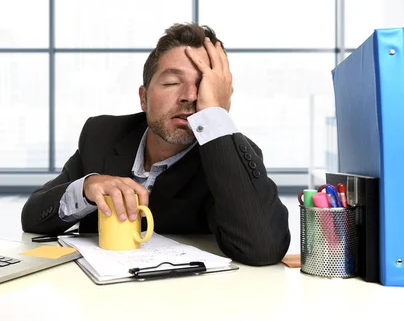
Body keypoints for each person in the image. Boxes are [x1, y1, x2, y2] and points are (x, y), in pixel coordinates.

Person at [21, 22, 290, 266]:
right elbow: (33, 218)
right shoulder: (102, 135)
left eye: (204, 87)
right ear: (144, 98)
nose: (190, 96)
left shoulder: (229, 156)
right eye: (173, 82)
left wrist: (214, 118)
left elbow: (262, 249)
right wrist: (87, 187)